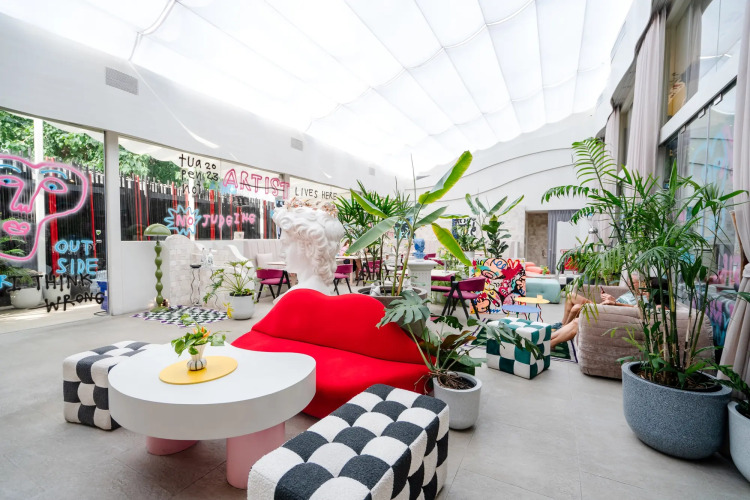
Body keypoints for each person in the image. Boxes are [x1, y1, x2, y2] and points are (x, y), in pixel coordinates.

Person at [272, 198, 344, 299]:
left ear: (310, 247)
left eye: (286, 244)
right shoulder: (322, 289)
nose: (281, 253)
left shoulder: (294, 297)